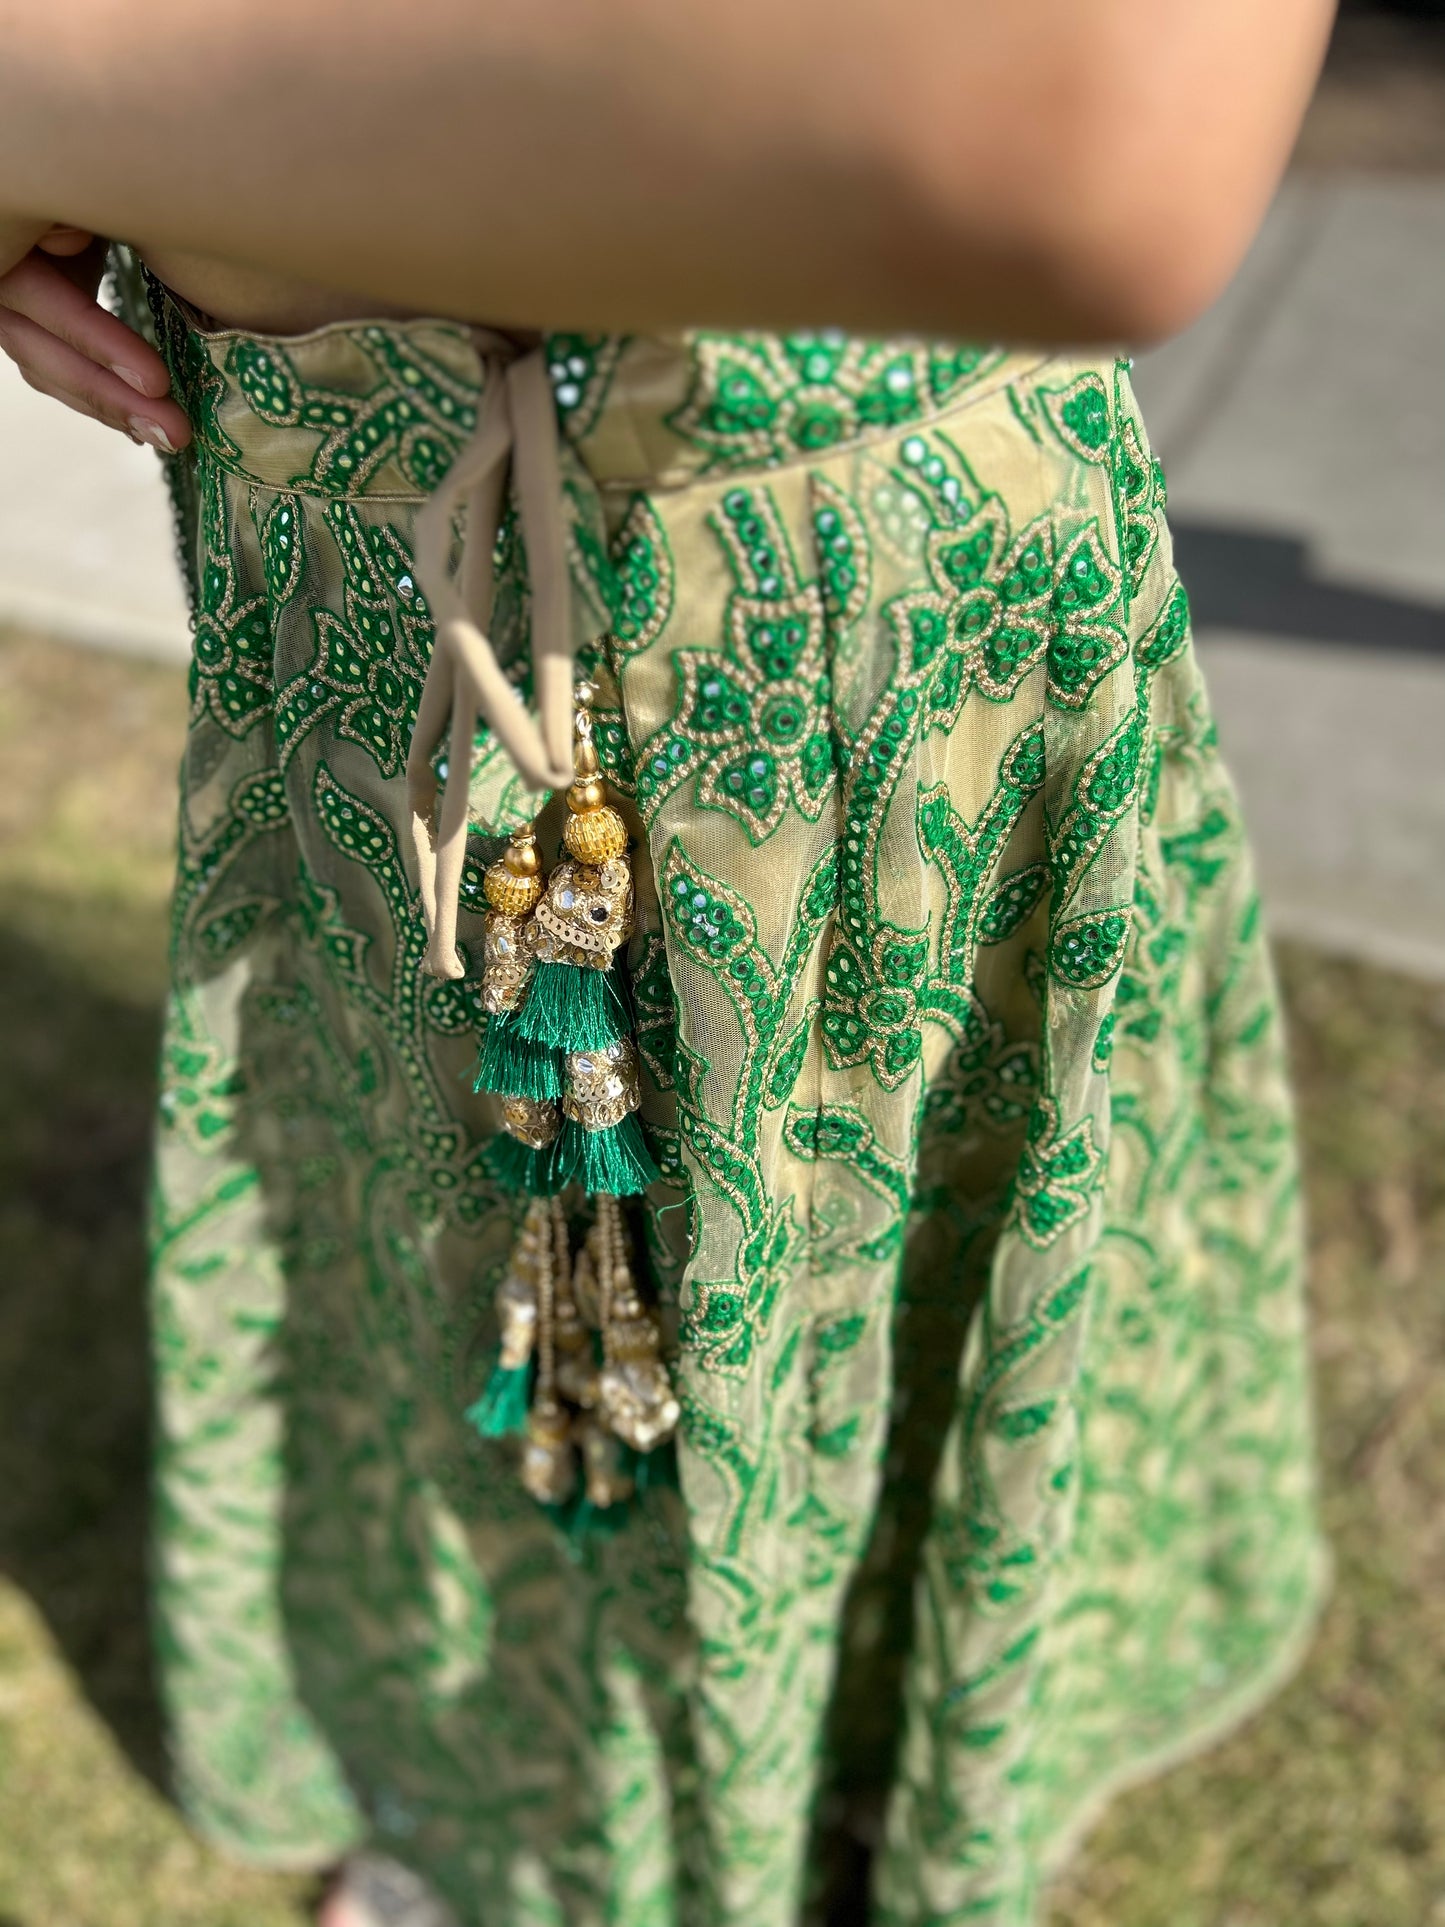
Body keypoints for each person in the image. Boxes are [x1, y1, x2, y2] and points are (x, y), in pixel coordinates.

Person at [0, 5, 1337, 1924]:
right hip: (340, 522)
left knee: (859, 1224)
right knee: (417, 1211)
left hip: (842, 577)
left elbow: (1096, 146)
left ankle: (858, 1780)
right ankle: (513, 1807)